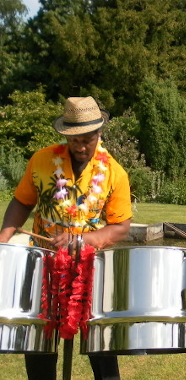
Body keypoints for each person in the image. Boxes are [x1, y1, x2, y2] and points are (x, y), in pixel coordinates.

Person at [0, 96, 133, 380]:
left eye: (88, 139)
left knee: (102, 348)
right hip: (44, 268)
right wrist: (4, 239)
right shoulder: (42, 160)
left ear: (99, 133)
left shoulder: (115, 173)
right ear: (65, 136)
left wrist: (82, 241)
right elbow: (22, 202)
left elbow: (121, 227)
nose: (82, 147)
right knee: (39, 345)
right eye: (75, 140)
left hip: (90, 272)